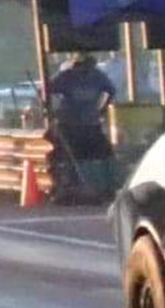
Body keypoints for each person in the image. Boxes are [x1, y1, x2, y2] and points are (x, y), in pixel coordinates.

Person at [47, 53, 118, 202]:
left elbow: (111, 90)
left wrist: (102, 109)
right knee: (66, 156)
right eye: (81, 66)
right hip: (69, 123)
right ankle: (69, 186)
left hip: (90, 123)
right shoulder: (66, 76)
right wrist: (52, 110)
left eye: (87, 66)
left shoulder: (97, 76)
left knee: (105, 153)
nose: (84, 70)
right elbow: (48, 90)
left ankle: (106, 187)